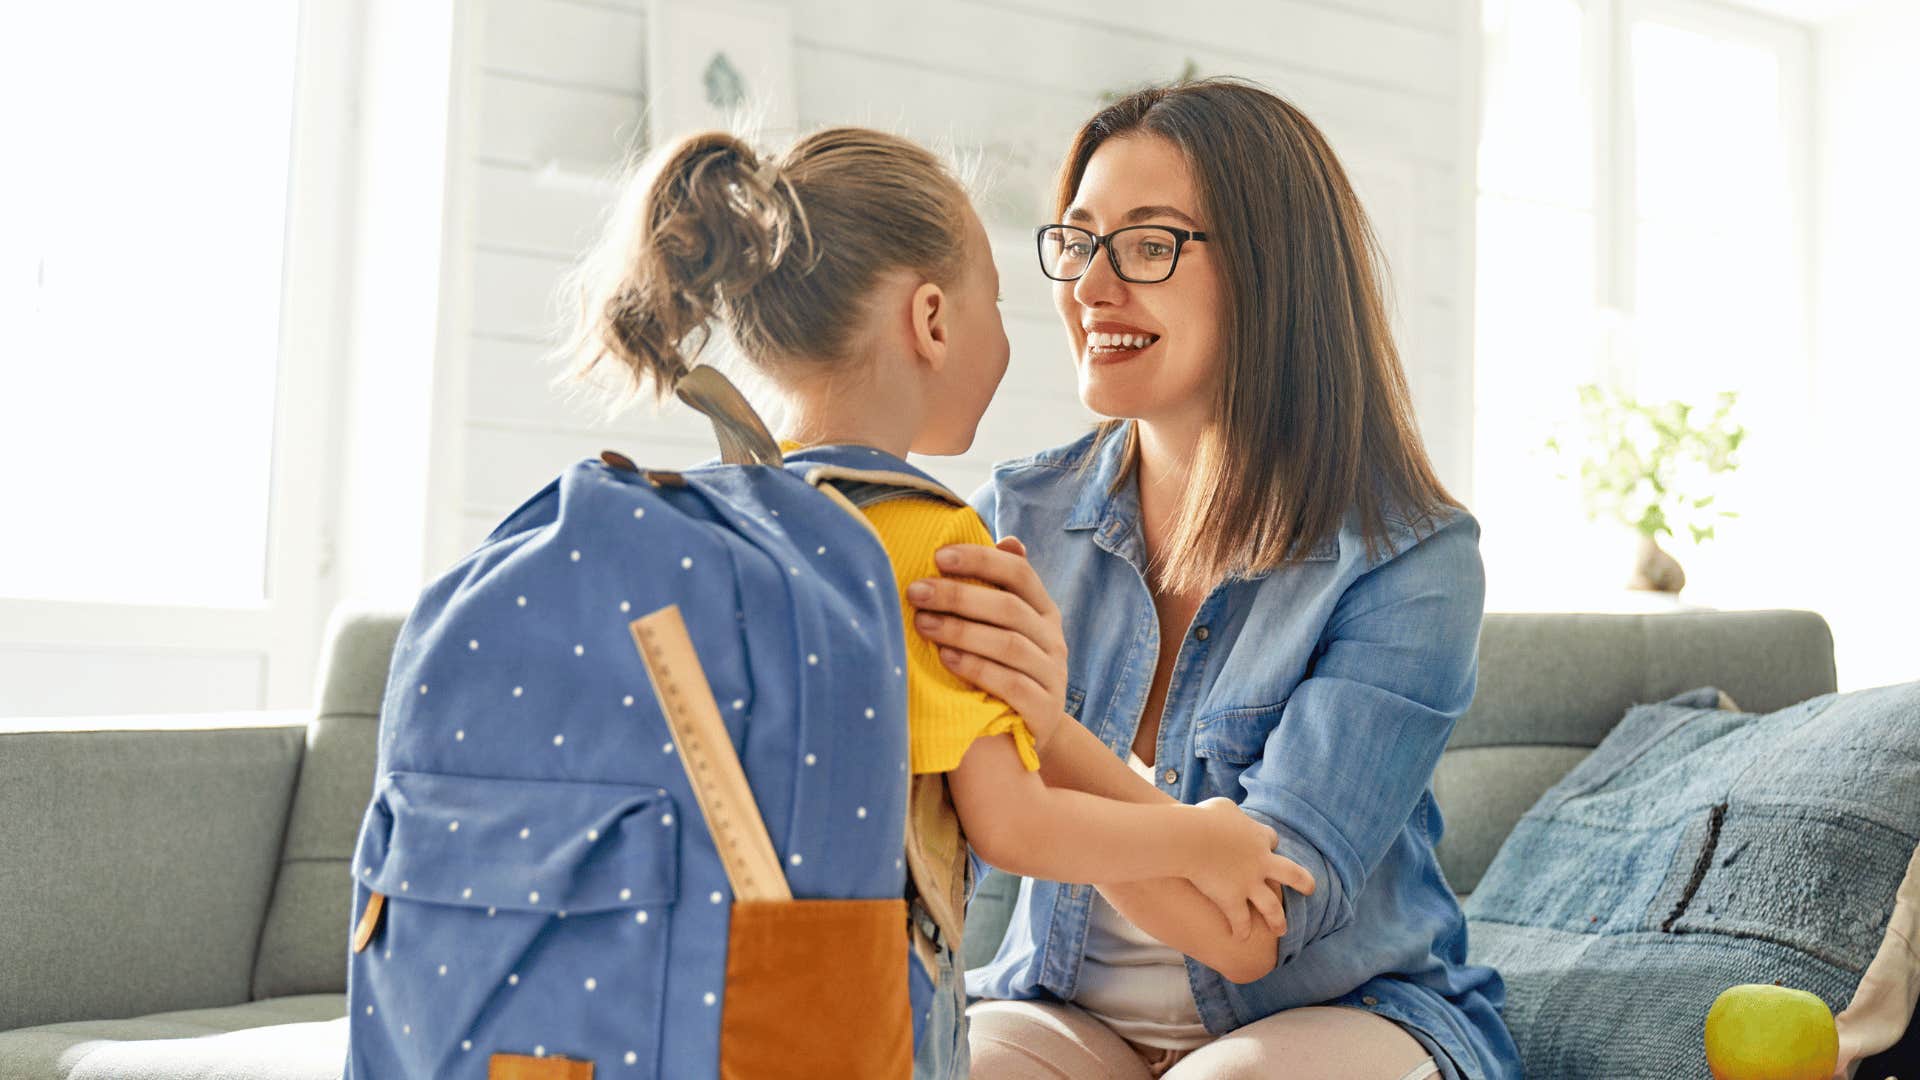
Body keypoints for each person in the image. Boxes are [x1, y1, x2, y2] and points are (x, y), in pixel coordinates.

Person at [554, 124, 1316, 1079]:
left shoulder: (718, 522)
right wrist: (1200, 832)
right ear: (932, 322)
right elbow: (1015, 825)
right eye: (995, 301)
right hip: (856, 1011)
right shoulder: (926, 539)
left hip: (707, 996)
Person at [903, 81, 1524, 1079]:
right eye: (1078, 241)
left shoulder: (1413, 560)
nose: (1091, 290)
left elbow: (1252, 930)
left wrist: (1052, 730)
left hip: (1344, 1015)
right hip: (1064, 1011)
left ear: (1273, 278)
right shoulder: (1013, 520)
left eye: (1149, 246)